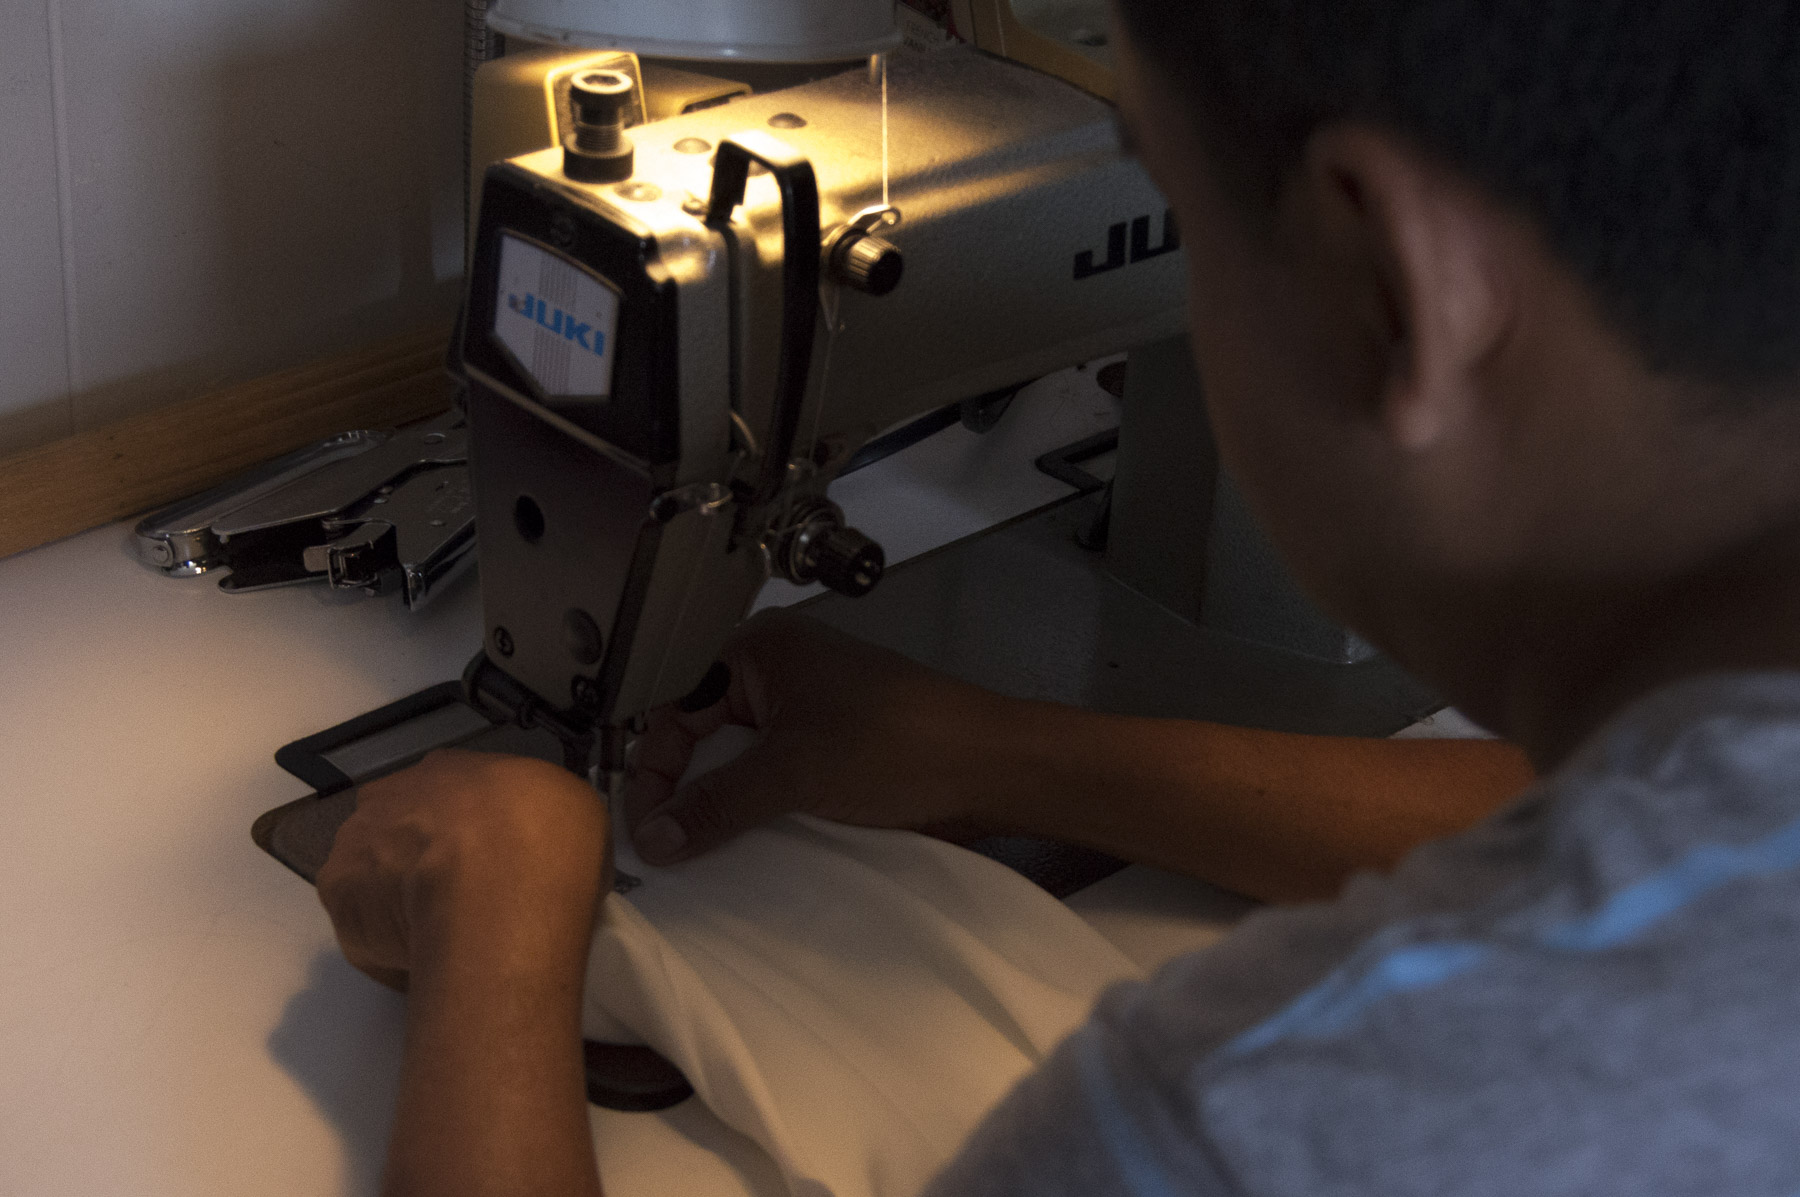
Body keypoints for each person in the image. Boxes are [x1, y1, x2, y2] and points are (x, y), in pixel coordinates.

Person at [316, 0, 1800, 1192]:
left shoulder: (1234, 1119)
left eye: (1177, 200)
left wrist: (493, 967)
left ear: (1386, 288)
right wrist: (1002, 754)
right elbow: (1618, 820)